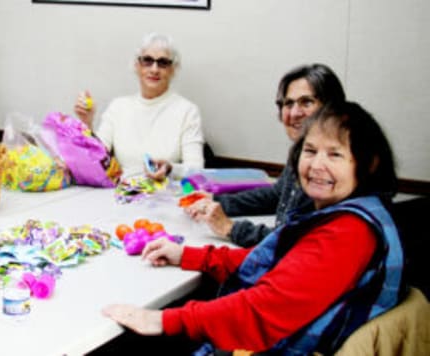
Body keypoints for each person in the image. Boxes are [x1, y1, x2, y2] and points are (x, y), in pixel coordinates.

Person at [103, 101, 404, 355]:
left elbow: (262, 311)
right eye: (310, 151)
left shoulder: (349, 232)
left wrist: (161, 320)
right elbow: (273, 261)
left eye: (334, 154)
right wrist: (188, 255)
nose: (316, 165)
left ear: (367, 164)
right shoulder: (348, 212)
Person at [185, 64, 346, 247]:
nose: (294, 113)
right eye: (288, 103)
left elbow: (295, 243)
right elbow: (275, 195)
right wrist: (216, 201)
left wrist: (230, 228)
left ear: (332, 108)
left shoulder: (331, 168)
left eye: (306, 102)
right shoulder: (299, 152)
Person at [73, 32, 204, 178]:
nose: (154, 69)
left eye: (162, 63)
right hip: (119, 192)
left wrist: (170, 169)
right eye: (147, 61)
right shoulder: (118, 107)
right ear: (137, 66)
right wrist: (86, 122)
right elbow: (95, 160)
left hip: (164, 195)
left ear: (172, 70)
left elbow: (196, 170)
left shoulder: (187, 111)